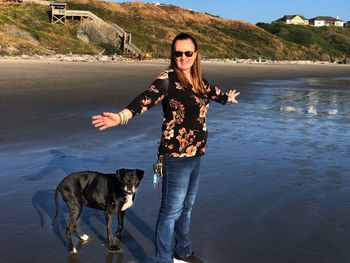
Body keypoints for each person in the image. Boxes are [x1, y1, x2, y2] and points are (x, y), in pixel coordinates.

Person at [92, 32, 240, 263]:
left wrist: (227, 98)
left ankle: (183, 250)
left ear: (195, 54)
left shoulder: (198, 80)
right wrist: (121, 116)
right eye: (178, 53)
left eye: (187, 53)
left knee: (187, 207)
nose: (182, 57)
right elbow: (146, 98)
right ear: (173, 55)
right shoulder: (167, 79)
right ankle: (163, 258)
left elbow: (213, 92)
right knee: (171, 211)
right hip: (175, 157)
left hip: (196, 154)